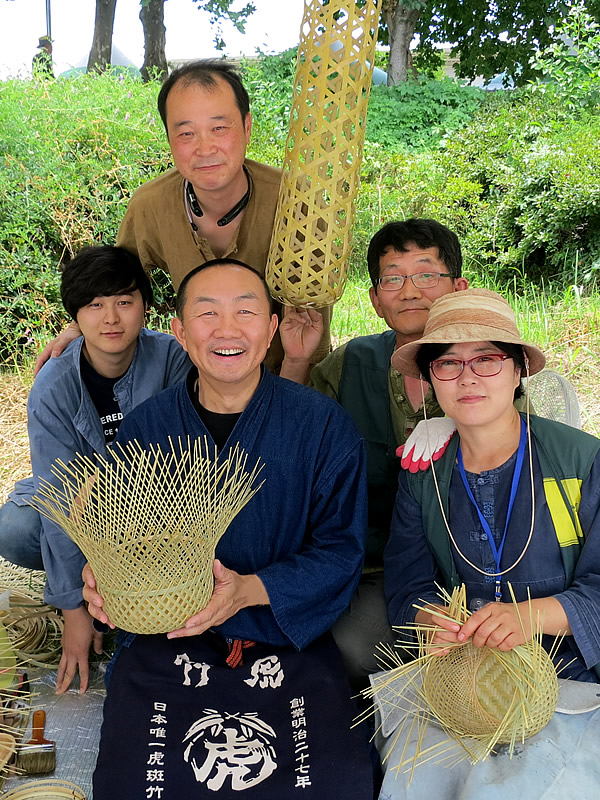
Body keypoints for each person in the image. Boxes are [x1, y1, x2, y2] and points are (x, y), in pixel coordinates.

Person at [82, 258, 373, 798]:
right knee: (136, 782)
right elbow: (116, 534)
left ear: (270, 331)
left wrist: (249, 590)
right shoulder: (149, 426)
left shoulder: (323, 426)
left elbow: (340, 550)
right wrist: (101, 579)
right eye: (207, 313)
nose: (227, 329)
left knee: (332, 782)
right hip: (171, 635)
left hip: (285, 637)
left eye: (245, 312)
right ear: (179, 333)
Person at [374, 287, 600, 798]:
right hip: (461, 679)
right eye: (448, 363)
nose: (468, 376)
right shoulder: (423, 472)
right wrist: (431, 621)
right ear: (430, 378)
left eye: (487, 359)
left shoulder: (582, 462)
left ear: (519, 369)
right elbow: (409, 580)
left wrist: (530, 617)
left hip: (572, 675)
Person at [34, 59, 331, 375]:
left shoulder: (298, 202)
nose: (204, 148)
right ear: (169, 139)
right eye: (186, 133)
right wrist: (77, 328)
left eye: (219, 128)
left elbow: (312, 333)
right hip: (202, 385)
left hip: (292, 380)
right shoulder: (150, 205)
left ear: (246, 127)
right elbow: (115, 286)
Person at [280, 218, 469, 685]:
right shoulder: (352, 363)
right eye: (393, 278)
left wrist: (462, 424)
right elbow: (289, 440)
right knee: (356, 647)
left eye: (427, 274)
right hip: (377, 566)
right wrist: (298, 360)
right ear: (375, 300)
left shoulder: (488, 358)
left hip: (477, 565)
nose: (410, 290)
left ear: (457, 287)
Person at [0, 246, 190, 694]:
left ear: (145, 304)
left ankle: (124, 589)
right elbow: (59, 497)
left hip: (156, 510)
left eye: (125, 302)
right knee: (14, 527)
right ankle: (84, 587)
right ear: (75, 316)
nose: (111, 318)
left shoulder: (171, 359)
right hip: (82, 510)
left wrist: (115, 484)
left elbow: (187, 461)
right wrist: (73, 612)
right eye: (95, 305)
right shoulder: (53, 386)